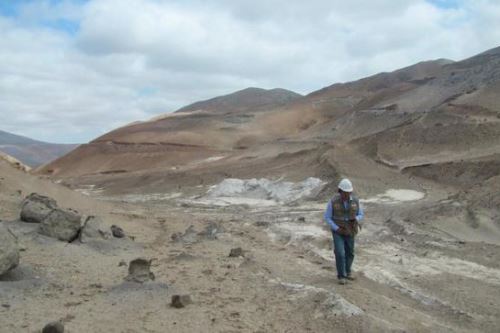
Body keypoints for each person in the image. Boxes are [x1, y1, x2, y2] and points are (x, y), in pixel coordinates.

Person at [324, 178, 364, 285]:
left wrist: (356, 219)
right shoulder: (333, 201)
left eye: (348, 192)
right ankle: (341, 276)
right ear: (340, 191)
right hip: (338, 231)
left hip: (351, 230)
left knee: (350, 252)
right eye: (345, 192)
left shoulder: (355, 201)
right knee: (340, 252)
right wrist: (336, 228)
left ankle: (348, 272)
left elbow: (361, 214)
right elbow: (327, 217)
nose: (346, 195)